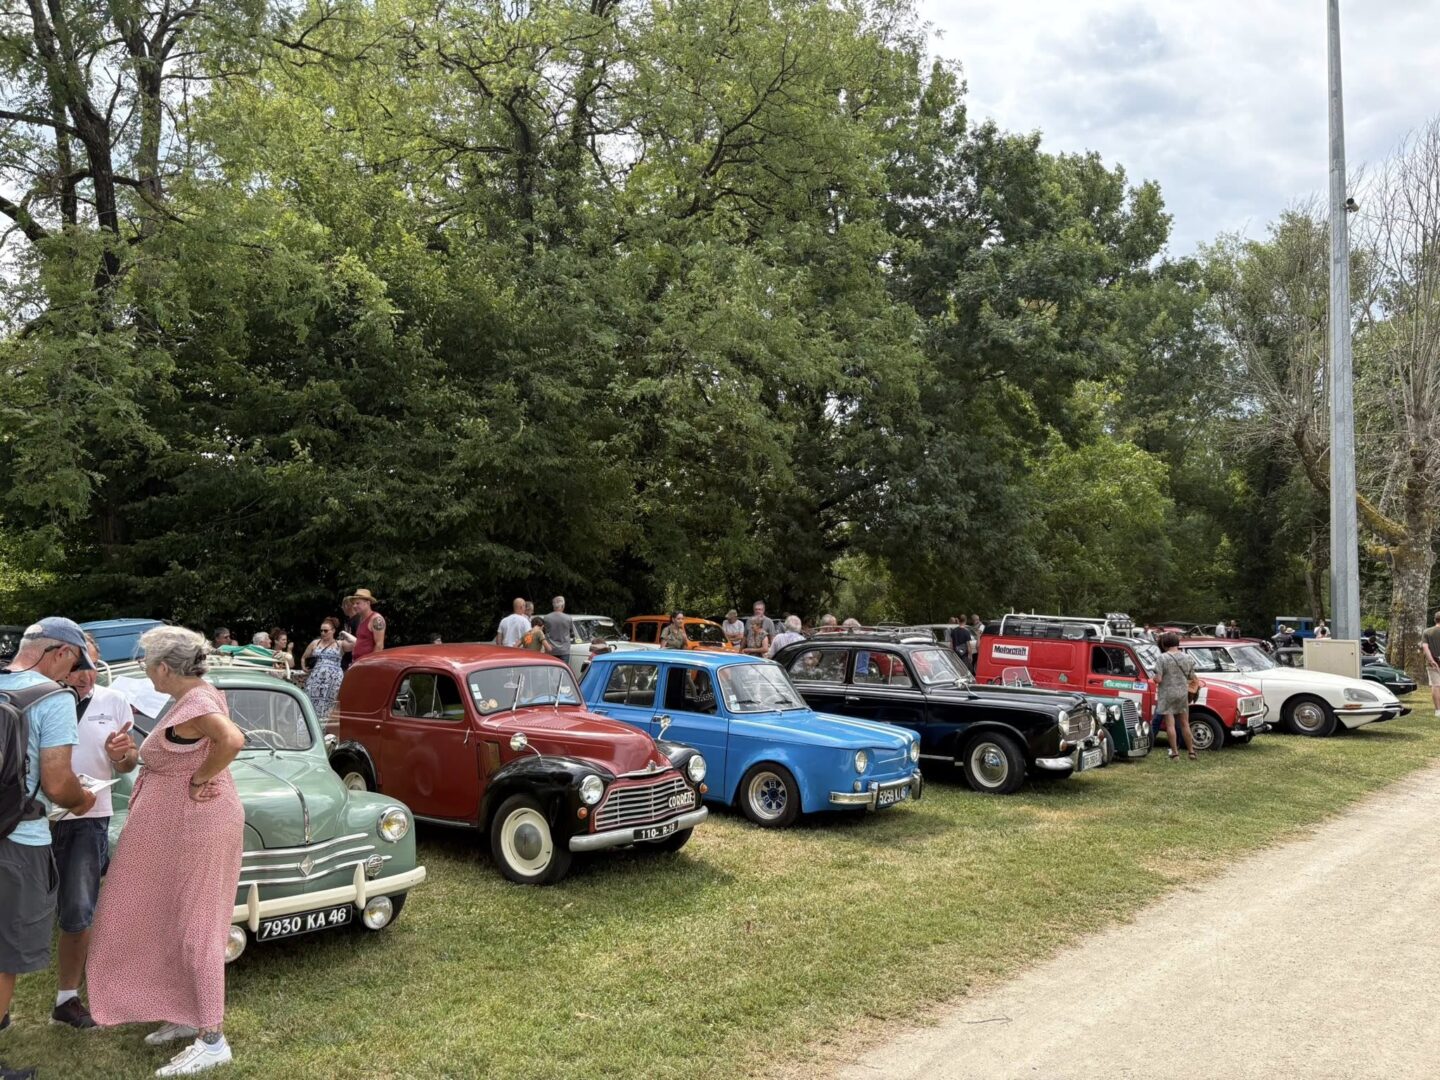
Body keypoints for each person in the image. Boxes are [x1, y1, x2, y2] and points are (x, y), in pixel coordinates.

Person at [87, 625, 246, 1076]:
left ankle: (212, 1038)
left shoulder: (196, 700)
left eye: (146, 663)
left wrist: (200, 779)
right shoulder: (195, 696)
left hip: (194, 823)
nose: (144, 670)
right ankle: (182, 1013)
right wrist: (131, 754)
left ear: (162, 667)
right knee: (170, 914)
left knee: (197, 923)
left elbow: (231, 740)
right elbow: (178, 752)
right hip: (178, 827)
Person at [0, 618, 98, 1034]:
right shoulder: (54, 699)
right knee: (5, 955)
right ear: (60, 653)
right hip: (19, 838)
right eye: (74, 663)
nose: (74, 674)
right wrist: (83, 800)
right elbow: (58, 783)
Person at [49, 634, 138, 1029]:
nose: (83, 676)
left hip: (89, 816)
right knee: (25, 909)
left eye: (90, 666)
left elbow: (127, 763)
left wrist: (124, 755)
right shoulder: (42, 698)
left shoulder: (114, 701)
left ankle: (67, 998)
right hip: (34, 818)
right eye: (75, 667)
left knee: (78, 910)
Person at [1156, 631, 1199, 761]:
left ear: (1165, 644)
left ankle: (1175, 753)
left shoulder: (1162, 658)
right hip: (1182, 693)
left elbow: (1158, 679)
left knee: (1170, 724)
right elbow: (1192, 677)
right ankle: (1191, 752)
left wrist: (1154, 678)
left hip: (1167, 693)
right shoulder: (1187, 658)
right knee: (1185, 723)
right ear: (1177, 642)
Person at [302, 618, 352, 720]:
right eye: (321, 630)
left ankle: (327, 730)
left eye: (326, 631)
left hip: (334, 680)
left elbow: (357, 643)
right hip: (316, 679)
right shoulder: (315, 643)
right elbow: (304, 657)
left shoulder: (340, 644)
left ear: (333, 630)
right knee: (311, 702)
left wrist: (344, 633)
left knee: (330, 704)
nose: (323, 633)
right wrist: (304, 667)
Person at [348, 589, 386, 661]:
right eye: (353, 604)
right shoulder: (361, 619)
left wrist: (369, 663)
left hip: (367, 664)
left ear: (368, 603)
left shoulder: (376, 619)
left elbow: (379, 645)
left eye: (358, 603)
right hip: (358, 662)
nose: (354, 606)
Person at [1422, 610, 1440, 712]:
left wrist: (1431, 660)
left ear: (1435, 620)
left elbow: (1425, 647)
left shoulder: (1427, 632)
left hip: (1433, 662)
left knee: (1436, 685)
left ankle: (1438, 710)